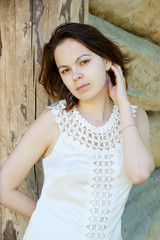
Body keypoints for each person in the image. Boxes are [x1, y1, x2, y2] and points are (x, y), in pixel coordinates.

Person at [0, 23, 155, 240]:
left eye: (84, 61)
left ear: (107, 60)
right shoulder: (53, 122)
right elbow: (3, 188)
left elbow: (139, 173)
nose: (76, 75)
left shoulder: (136, 118)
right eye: (66, 70)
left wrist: (122, 102)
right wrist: (52, 221)